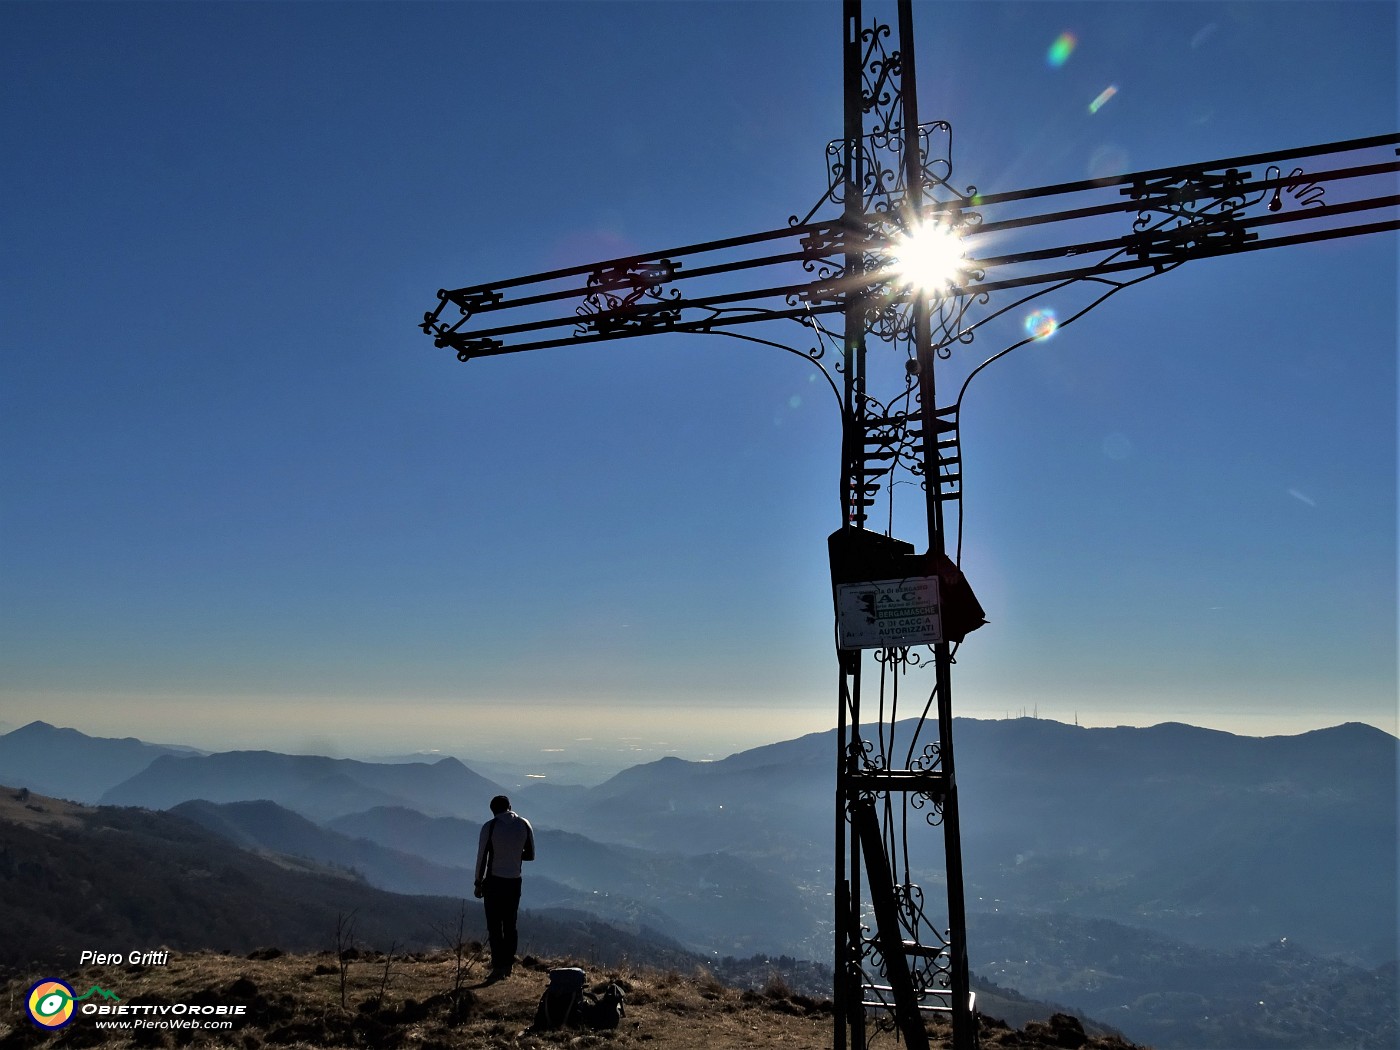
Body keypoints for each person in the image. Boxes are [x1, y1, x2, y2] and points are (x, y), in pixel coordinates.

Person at [474, 794, 535, 981]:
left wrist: (478, 882)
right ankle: (508, 965)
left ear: (493, 810)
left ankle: (497, 965)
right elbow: (531, 855)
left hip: (493, 881)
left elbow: (482, 857)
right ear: (510, 806)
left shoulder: (490, 827)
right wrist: (514, 855)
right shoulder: (524, 824)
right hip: (514, 881)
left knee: (494, 925)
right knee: (510, 924)